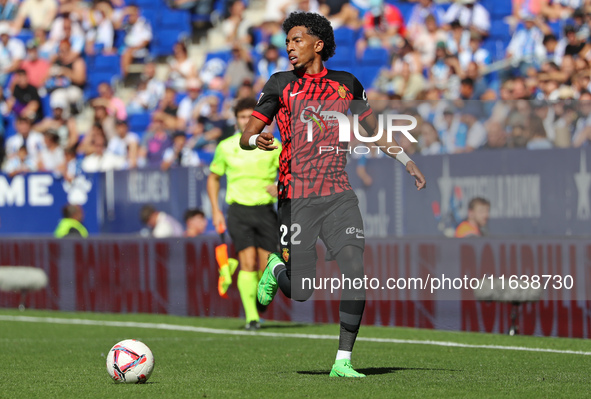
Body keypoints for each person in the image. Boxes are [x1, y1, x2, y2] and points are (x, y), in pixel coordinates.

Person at [239, 12, 426, 377]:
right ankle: (276, 267)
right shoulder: (279, 84)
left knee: (355, 269)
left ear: (318, 44)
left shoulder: (347, 84)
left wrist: (406, 160)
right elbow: (248, 131)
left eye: (296, 40)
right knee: (301, 291)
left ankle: (343, 361)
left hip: (338, 194)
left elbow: (373, 131)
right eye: (287, 41)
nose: (289, 47)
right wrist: (253, 139)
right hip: (296, 195)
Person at [207, 97, 281, 331]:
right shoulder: (226, 146)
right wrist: (216, 210)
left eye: (252, 116)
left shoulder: (274, 144)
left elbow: (292, 174)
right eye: (242, 116)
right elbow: (214, 177)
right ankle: (252, 318)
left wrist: (280, 185)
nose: (246, 120)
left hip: (266, 211)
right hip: (238, 210)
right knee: (247, 262)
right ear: (236, 119)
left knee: (266, 268)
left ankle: (258, 302)